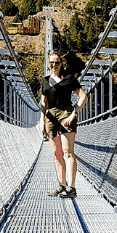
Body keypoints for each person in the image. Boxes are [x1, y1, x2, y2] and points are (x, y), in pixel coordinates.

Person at [40, 53, 87, 198]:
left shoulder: (69, 78)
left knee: (68, 152)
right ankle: (62, 185)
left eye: (56, 63)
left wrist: (74, 114)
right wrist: (42, 119)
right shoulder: (45, 80)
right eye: (51, 63)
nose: (53, 65)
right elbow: (43, 102)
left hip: (66, 113)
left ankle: (71, 188)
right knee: (57, 154)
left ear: (62, 63)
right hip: (50, 117)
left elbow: (83, 96)